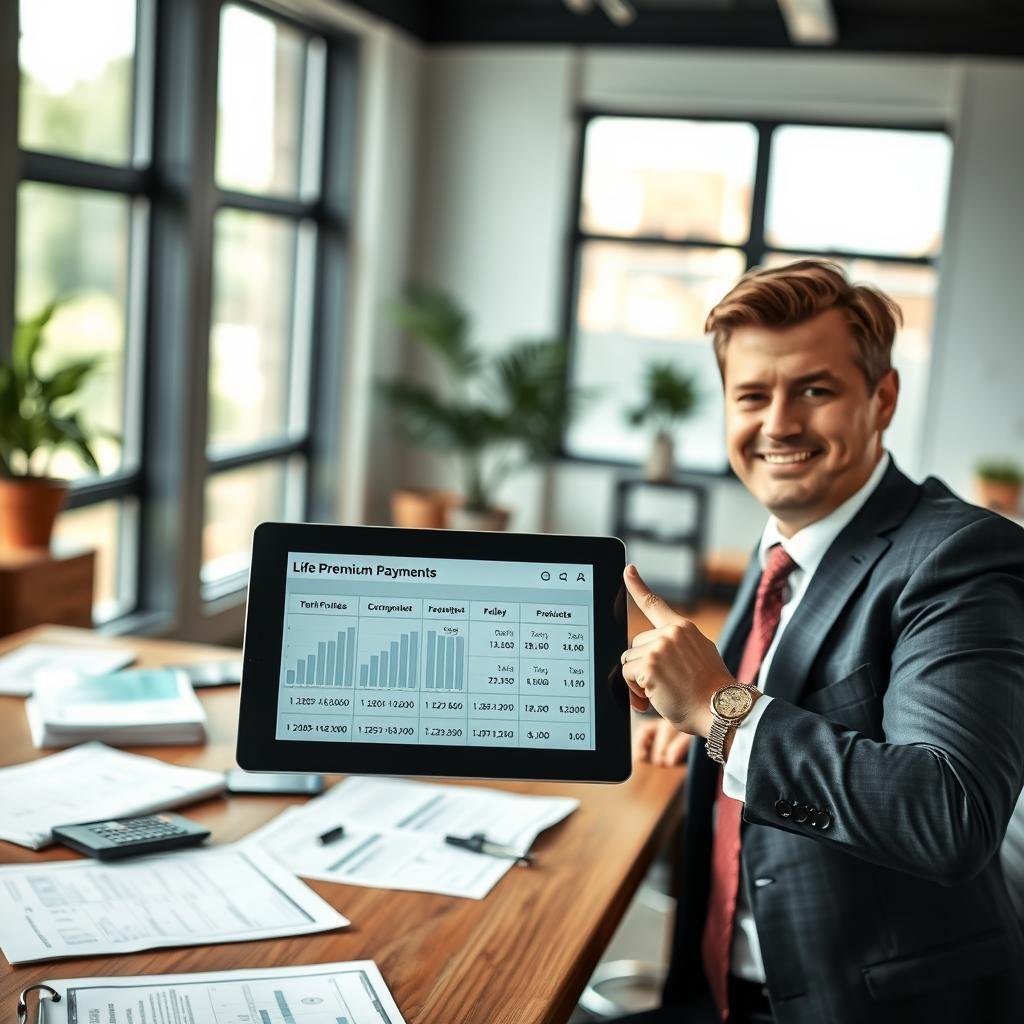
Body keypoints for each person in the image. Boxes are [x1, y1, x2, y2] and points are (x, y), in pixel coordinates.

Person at [614, 260, 1024, 1024]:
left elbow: (950, 813)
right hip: (716, 990)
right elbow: (803, 708)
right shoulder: (784, 543)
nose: (778, 424)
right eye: (751, 396)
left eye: (814, 389)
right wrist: (705, 737)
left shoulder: (958, 556)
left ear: (883, 398)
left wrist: (724, 710)